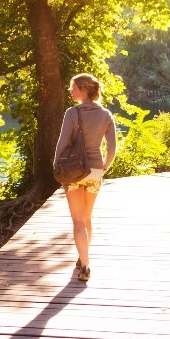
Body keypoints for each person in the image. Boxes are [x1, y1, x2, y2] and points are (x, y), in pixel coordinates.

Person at [53, 73, 117, 282]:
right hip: (95, 172)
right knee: (87, 218)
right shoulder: (106, 114)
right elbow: (112, 148)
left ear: (83, 89)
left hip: (73, 172)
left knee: (78, 221)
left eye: (73, 87)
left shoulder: (72, 113)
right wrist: (104, 167)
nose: (70, 91)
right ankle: (83, 258)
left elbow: (62, 143)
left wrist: (56, 165)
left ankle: (86, 265)